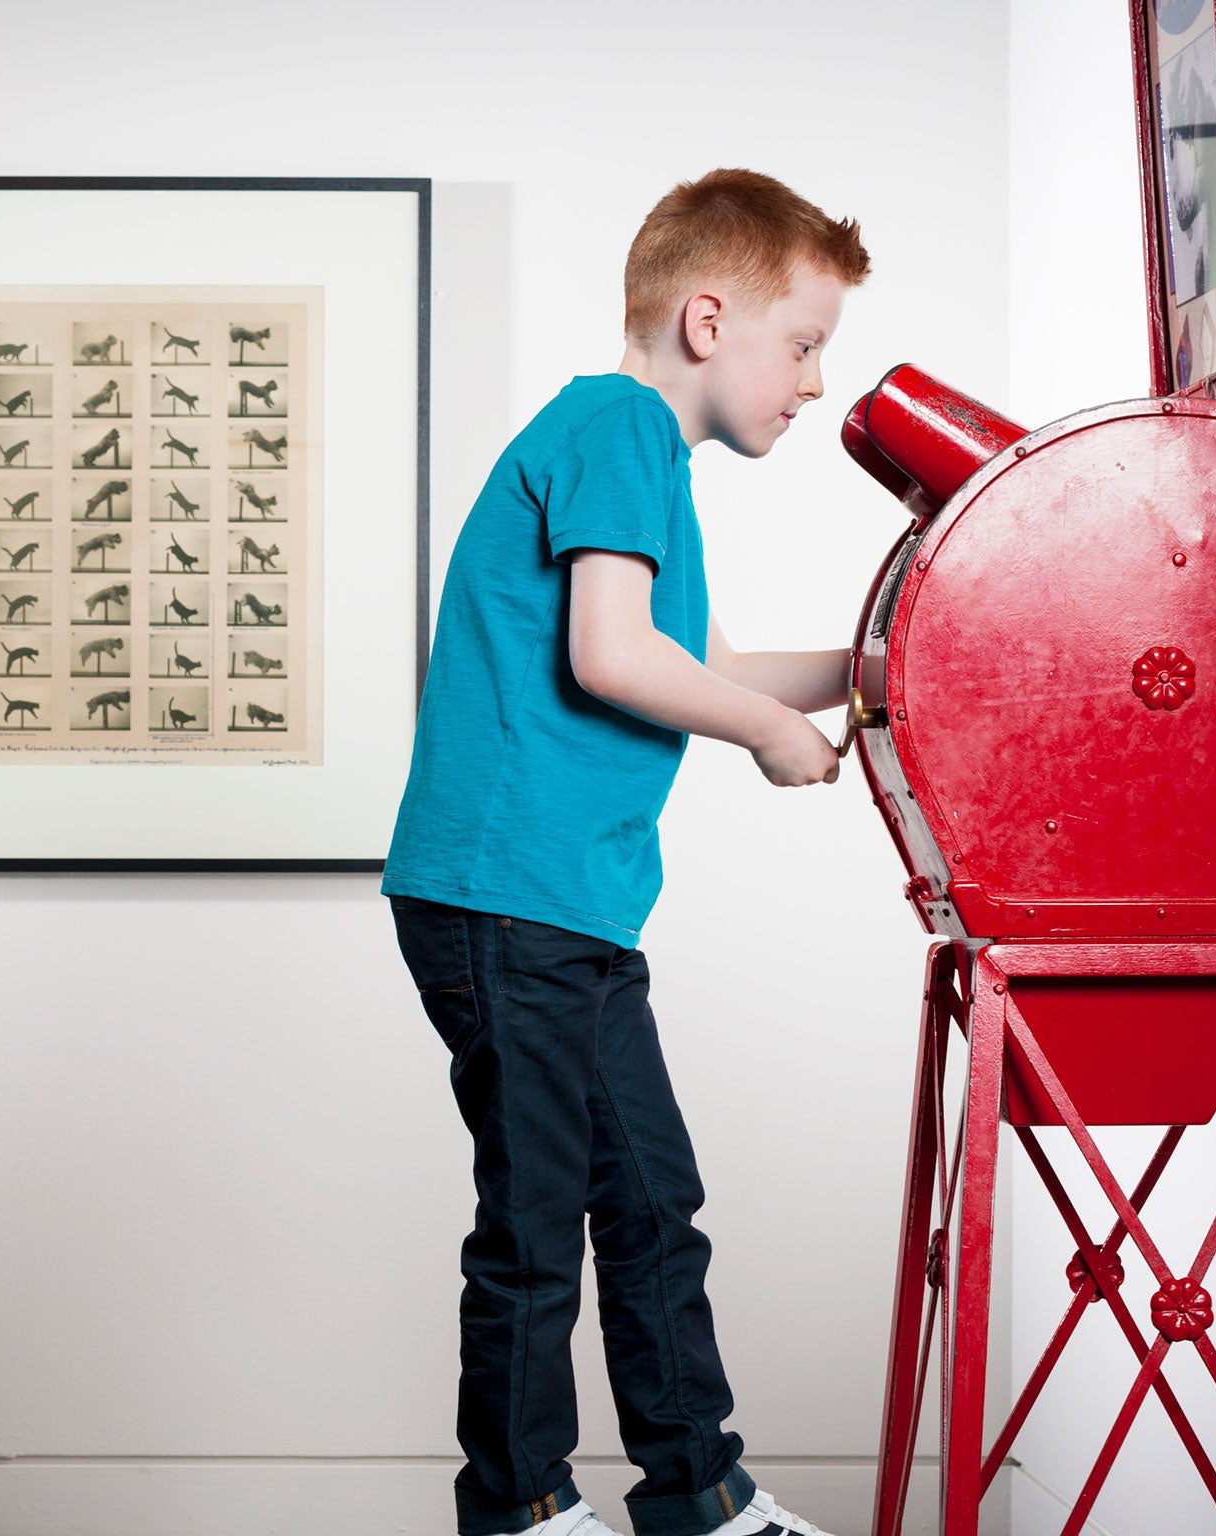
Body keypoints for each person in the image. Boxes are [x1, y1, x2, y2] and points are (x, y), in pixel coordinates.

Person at [382, 168, 870, 1536]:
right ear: (711, 321)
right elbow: (612, 659)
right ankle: (520, 1509)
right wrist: (772, 734)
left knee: (651, 1201)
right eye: (806, 344)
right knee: (539, 1224)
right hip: (505, 897)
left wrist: (873, 662)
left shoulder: (639, 460)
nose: (816, 383)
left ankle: (696, 1493)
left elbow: (686, 661)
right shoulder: (616, 427)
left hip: (569, 909)